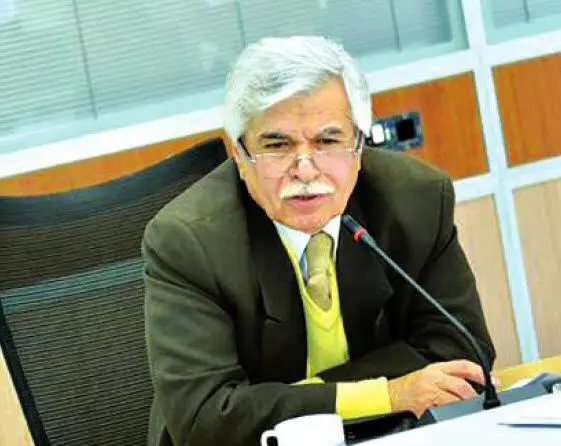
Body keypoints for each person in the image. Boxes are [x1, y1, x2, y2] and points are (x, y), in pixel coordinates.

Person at [142, 35, 495, 446]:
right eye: (277, 145)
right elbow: (206, 419)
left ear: (358, 146)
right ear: (239, 155)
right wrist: (386, 394)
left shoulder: (416, 199)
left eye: (327, 142)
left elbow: (462, 352)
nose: (306, 170)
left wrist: (295, 398)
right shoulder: (187, 240)